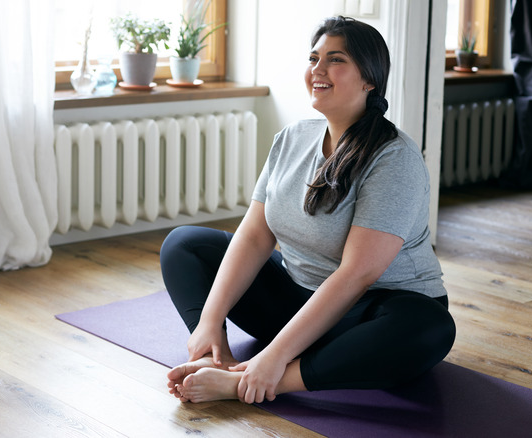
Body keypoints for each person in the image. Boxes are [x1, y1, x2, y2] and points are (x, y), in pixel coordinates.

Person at [159, 16, 456, 404]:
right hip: (296, 300)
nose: (318, 69)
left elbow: (356, 276)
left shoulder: (394, 158)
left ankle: (255, 381)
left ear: (369, 79)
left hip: (367, 313)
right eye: (314, 58)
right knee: (185, 243)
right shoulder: (292, 137)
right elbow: (253, 235)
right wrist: (209, 322)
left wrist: (272, 360)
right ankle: (218, 358)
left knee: (430, 329)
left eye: (335, 60)